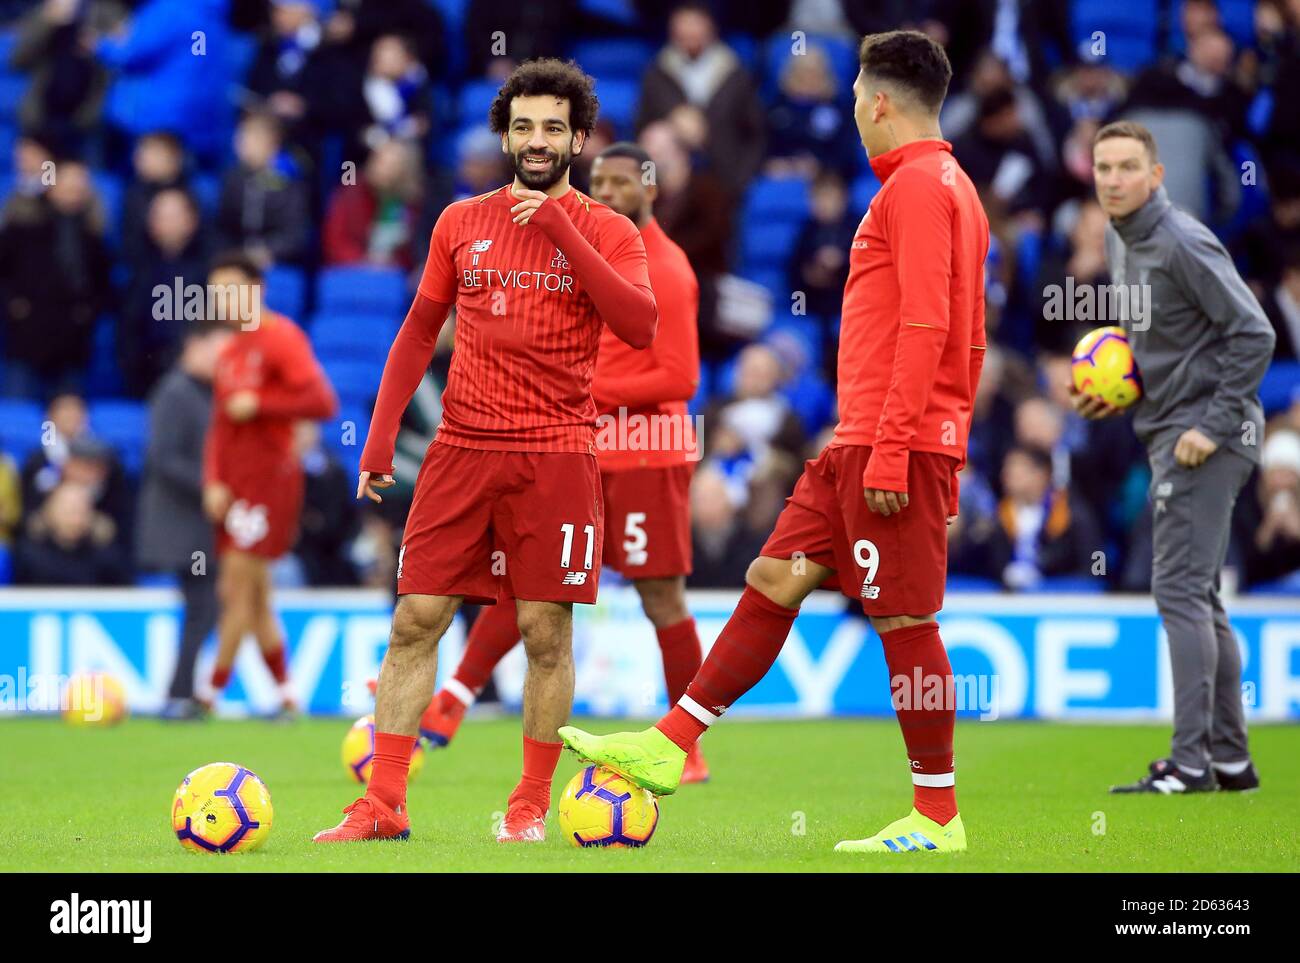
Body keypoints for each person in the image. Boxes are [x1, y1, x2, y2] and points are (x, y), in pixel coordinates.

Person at [559, 30, 988, 855]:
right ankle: (671, 740)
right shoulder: (942, 186)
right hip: (860, 439)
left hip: (886, 444)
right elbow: (965, 337)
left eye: (858, 99)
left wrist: (908, 445)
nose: (855, 116)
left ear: (878, 103)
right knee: (772, 576)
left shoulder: (921, 190)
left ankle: (937, 814)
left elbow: (933, 326)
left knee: (903, 618)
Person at [312, 59, 658, 845]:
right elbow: (414, 332)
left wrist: (563, 228)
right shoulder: (460, 221)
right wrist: (377, 435)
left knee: (544, 631)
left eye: (554, 128)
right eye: (524, 126)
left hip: (558, 456)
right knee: (415, 620)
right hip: (461, 449)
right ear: (504, 133)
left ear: (578, 138)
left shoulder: (608, 230)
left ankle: (531, 803)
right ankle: (384, 802)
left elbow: (640, 326)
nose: (538, 141)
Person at [410, 141, 708, 783]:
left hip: (647, 450)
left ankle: (687, 744)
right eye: (600, 180)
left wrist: (583, 392)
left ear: (650, 189)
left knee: (661, 596)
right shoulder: (581, 249)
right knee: (531, 585)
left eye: (623, 182)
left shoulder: (668, 267)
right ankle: (453, 700)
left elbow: (680, 372)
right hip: (578, 447)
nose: (608, 192)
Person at [1083, 121, 1275, 794]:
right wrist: (1114, 388)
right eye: (1103, 167)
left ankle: (1189, 764)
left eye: (1127, 167)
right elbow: (1161, 340)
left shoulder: (1183, 241)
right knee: (1201, 597)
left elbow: (1256, 331)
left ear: (1156, 175)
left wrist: (1212, 425)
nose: (1112, 179)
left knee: (1179, 592)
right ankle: (1229, 760)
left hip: (1205, 437)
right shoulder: (1118, 236)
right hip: (1168, 426)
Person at [201, 252, 338, 716]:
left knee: (235, 588)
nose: (221, 300)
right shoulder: (229, 351)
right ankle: (287, 695)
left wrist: (259, 402)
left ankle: (208, 693)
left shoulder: (281, 338)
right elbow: (220, 425)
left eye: (229, 289)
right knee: (256, 594)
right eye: (216, 291)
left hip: (269, 482)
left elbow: (321, 401)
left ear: (256, 289)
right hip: (236, 487)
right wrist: (214, 480)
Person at [137, 322, 230, 720]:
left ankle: (183, 693)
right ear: (193, 347)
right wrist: (213, 485)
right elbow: (163, 457)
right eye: (216, 350)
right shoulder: (174, 392)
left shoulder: (203, 393)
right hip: (180, 525)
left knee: (204, 608)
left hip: (195, 525)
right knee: (203, 607)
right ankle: (180, 694)